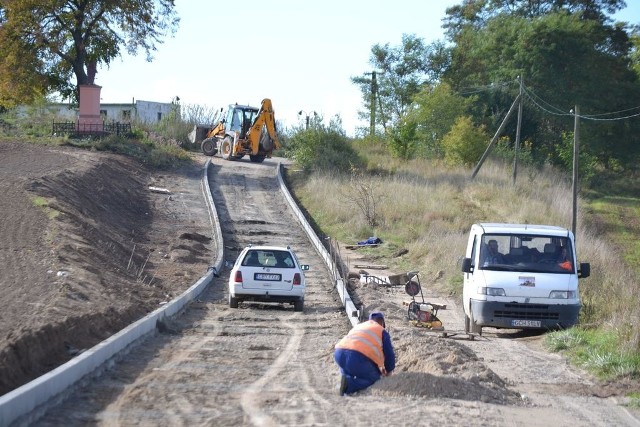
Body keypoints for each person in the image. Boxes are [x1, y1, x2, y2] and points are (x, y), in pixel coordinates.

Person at [334, 312, 396, 396]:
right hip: (356, 356)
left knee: (348, 373)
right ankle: (349, 384)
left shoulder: (360, 326)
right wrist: (389, 370)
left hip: (339, 353)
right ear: (382, 323)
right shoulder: (381, 331)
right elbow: (389, 355)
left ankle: (341, 382)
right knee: (374, 379)